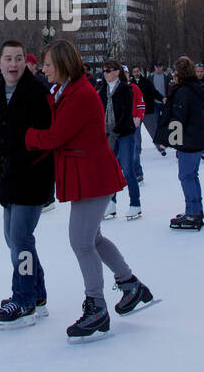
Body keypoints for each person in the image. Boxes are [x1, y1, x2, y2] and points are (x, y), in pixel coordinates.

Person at [25, 40, 153, 341]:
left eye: (48, 64)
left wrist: (26, 136)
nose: (44, 69)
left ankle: (96, 306)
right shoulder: (68, 90)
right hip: (87, 174)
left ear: (63, 63)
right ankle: (129, 284)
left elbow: (56, 136)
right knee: (92, 238)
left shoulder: (80, 94)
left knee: (81, 242)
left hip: (93, 176)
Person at [0, 40, 53, 328]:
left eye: (17, 58)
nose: (13, 64)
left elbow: (47, 136)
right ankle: (36, 293)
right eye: (8, 59)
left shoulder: (37, 91)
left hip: (32, 176)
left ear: (25, 62)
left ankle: (24, 298)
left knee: (21, 240)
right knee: (12, 239)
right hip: (9, 178)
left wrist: (30, 161)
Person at [155, 56, 204, 229]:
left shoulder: (183, 91)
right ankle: (195, 209)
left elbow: (178, 119)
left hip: (189, 140)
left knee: (186, 176)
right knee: (192, 175)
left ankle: (193, 213)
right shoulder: (197, 88)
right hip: (197, 137)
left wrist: (168, 140)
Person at [95, 61, 141, 220]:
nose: (105, 73)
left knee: (127, 170)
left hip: (124, 134)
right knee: (110, 171)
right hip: (109, 134)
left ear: (116, 72)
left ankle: (135, 204)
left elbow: (126, 114)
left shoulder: (126, 90)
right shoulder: (102, 91)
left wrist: (115, 132)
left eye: (108, 70)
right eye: (104, 71)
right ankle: (111, 204)